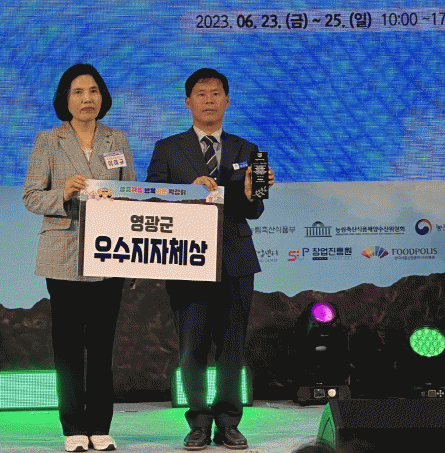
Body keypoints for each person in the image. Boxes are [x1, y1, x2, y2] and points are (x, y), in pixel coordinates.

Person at [146, 68, 274, 451]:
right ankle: (198, 422)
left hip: (236, 259)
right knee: (192, 347)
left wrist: (251, 193)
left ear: (227, 101)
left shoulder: (249, 149)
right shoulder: (167, 149)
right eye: (201, 94)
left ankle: (229, 422)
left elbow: (256, 210)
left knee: (232, 347)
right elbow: (152, 198)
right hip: (186, 258)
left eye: (216, 93)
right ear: (188, 102)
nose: (209, 100)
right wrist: (188, 191)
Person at [23, 64, 136, 452]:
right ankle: (73, 427)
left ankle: (100, 426)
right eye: (78, 92)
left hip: (110, 254)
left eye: (93, 91)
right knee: (68, 346)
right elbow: (31, 196)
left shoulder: (117, 139)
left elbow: (130, 195)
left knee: (102, 346)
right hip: (63, 254)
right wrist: (63, 194)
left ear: (102, 96)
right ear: (65, 99)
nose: (87, 98)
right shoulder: (48, 141)